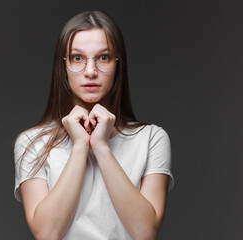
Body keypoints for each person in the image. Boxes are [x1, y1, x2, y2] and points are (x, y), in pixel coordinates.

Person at [12, 10, 174, 240]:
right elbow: (47, 234)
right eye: (77, 58)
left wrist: (101, 147)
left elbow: (145, 232)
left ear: (118, 64)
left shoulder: (150, 138)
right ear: (63, 65)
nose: (90, 72)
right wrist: (79, 147)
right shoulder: (32, 143)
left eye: (103, 57)